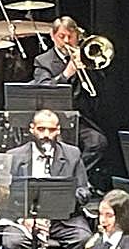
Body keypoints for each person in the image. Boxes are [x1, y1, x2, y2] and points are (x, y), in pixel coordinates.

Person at [0, 109, 92, 249]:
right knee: (12, 242)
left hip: (62, 220)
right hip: (25, 218)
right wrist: (23, 218)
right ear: (32, 128)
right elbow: (4, 195)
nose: (46, 135)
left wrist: (64, 199)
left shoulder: (72, 154)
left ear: (58, 130)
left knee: (83, 238)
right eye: (41, 129)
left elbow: (84, 192)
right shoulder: (14, 156)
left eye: (52, 130)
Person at [29, 15, 108, 171]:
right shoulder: (43, 61)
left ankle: (75, 175)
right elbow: (44, 89)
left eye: (70, 37)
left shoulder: (84, 55)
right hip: (55, 118)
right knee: (64, 147)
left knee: (98, 142)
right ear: (53, 36)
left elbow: (98, 87)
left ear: (77, 37)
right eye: (61, 36)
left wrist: (88, 65)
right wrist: (67, 73)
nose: (66, 41)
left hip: (80, 118)